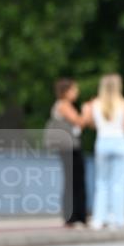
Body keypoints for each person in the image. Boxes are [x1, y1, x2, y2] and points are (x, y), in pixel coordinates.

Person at [83, 74, 124, 230]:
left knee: (102, 183)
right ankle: (117, 219)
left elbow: (92, 125)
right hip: (120, 142)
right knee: (119, 183)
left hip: (103, 142)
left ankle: (99, 219)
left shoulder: (95, 104)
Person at [49, 78, 87, 227]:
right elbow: (80, 122)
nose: (76, 92)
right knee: (75, 181)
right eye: (74, 89)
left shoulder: (65, 105)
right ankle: (75, 216)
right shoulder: (63, 105)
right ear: (66, 92)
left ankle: (73, 216)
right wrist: (86, 111)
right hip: (69, 148)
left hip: (69, 147)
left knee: (73, 181)